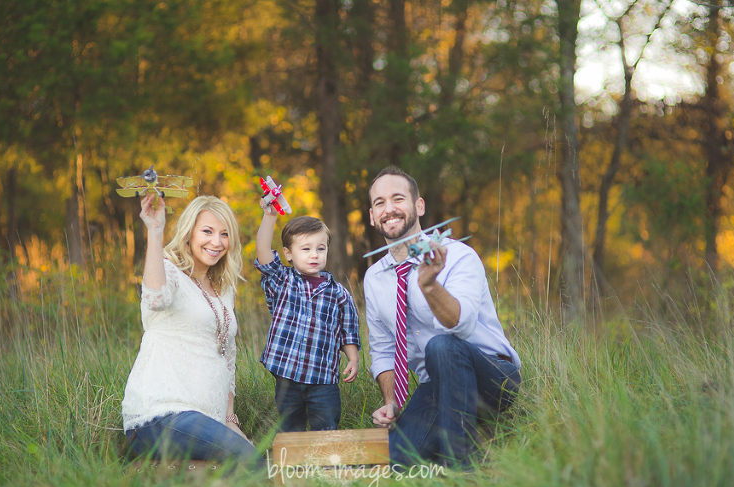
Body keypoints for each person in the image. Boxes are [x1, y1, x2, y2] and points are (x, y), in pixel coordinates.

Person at [364, 165, 521, 470]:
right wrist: (392, 401)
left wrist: (429, 285)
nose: (389, 209)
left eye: (398, 199)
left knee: (441, 346)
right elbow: (383, 350)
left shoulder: (458, 256)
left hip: (493, 379)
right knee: (395, 463)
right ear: (372, 216)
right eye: (379, 203)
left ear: (418, 206)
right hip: (436, 387)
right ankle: (453, 446)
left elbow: (458, 325)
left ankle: (462, 468)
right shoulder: (373, 278)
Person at [121, 193, 258, 467]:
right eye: (207, 231)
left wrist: (230, 421)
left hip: (207, 422)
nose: (216, 242)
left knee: (250, 459)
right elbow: (155, 297)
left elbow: (228, 357)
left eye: (224, 234)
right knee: (250, 462)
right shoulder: (169, 271)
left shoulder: (223, 289)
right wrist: (155, 230)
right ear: (189, 233)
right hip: (161, 415)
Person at [255, 203, 361, 432]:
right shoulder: (282, 280)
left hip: (323, 378)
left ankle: (326, 466)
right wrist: (269, 215)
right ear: (288, 254)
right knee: (290, 428)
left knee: (326, 427)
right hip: (286, 374)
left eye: (320, 249)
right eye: (306, 249)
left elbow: (348, 330)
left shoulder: (339, 293)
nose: (314, 255)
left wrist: (353, 359)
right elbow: (263, 251)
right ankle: (293, 466)